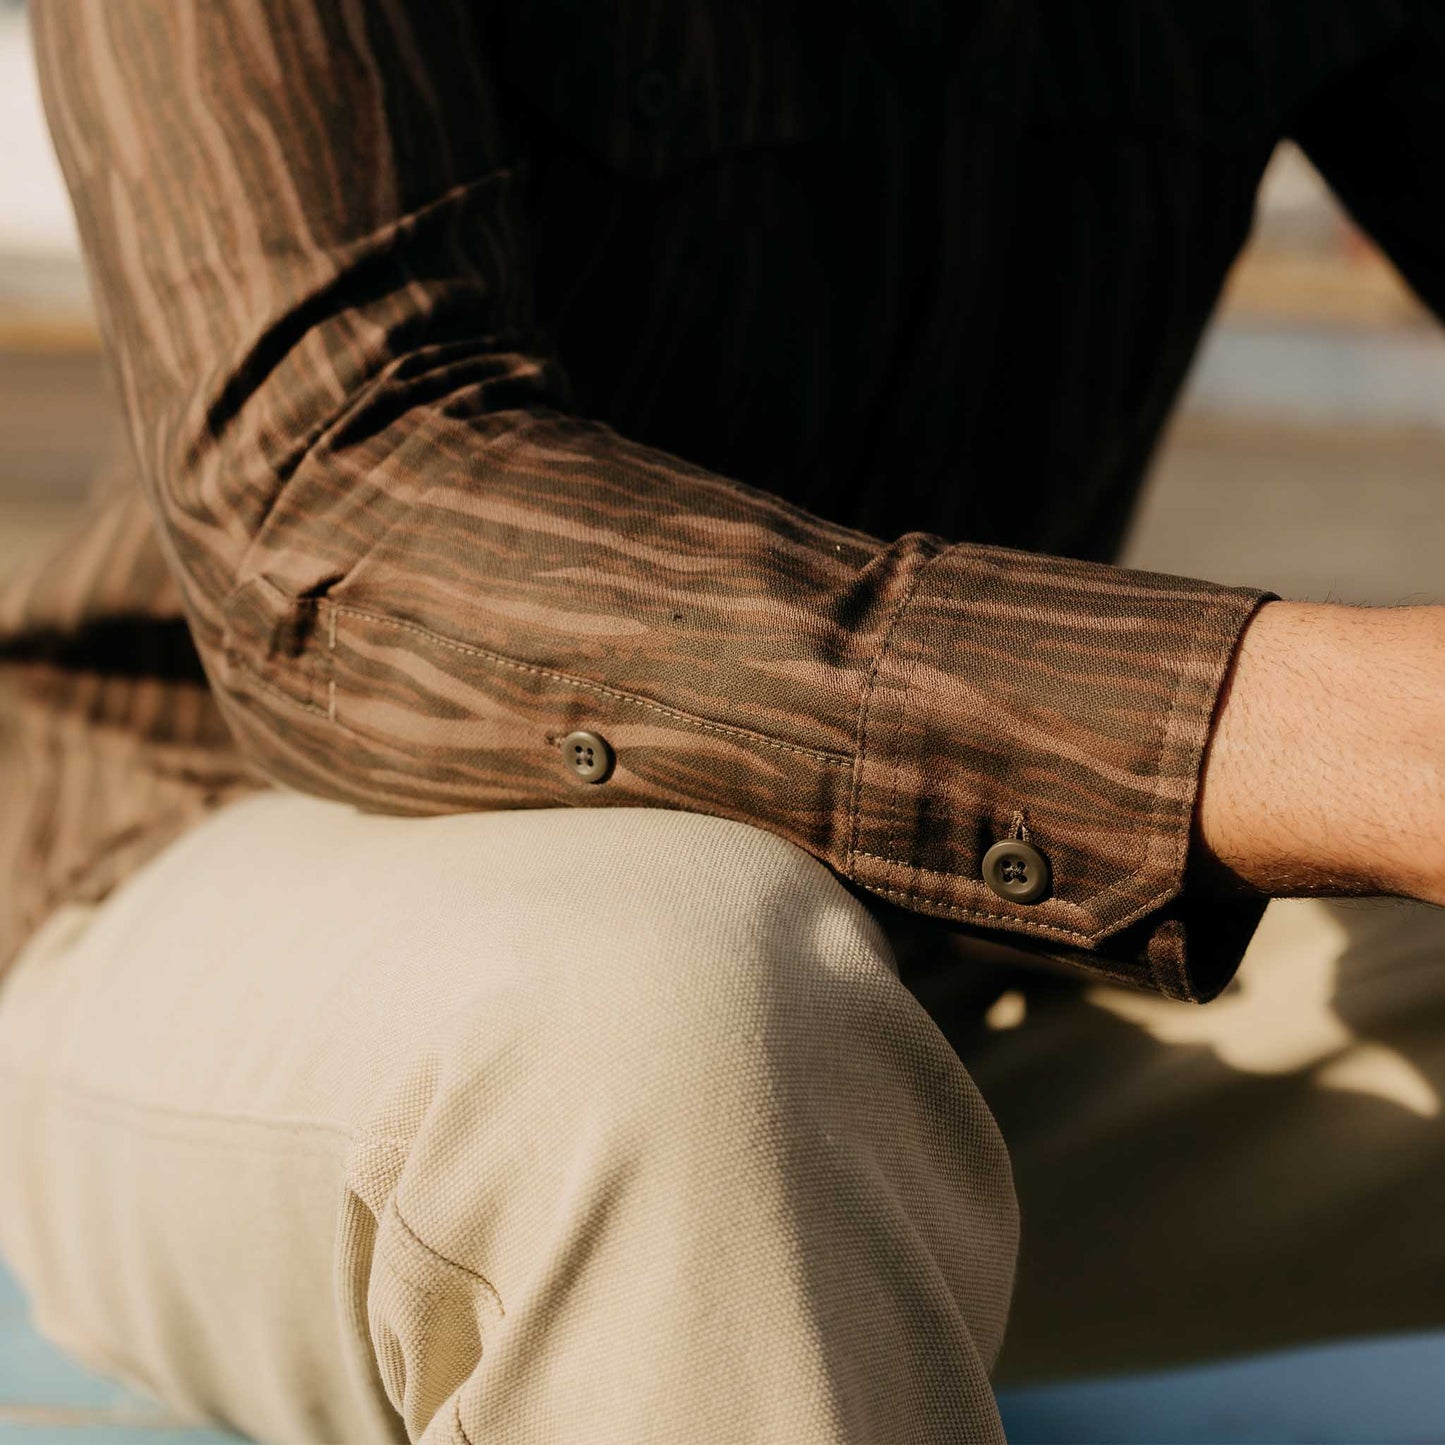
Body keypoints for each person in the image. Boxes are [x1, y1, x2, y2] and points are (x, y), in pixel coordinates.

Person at [0, 1, 1441, 1440]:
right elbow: (336, 524)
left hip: (959, 955)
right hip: (230, 846)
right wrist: (1293, 722)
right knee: (667, 1022)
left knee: (753, 1015)